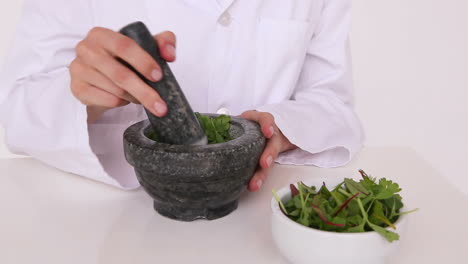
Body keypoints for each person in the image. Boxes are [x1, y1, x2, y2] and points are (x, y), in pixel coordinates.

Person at [0, 0, 364, 191]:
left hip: (257, 216)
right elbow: (17, 112)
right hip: (108, 218)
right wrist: (85, 93)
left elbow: (331, 101)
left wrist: (282, 128)